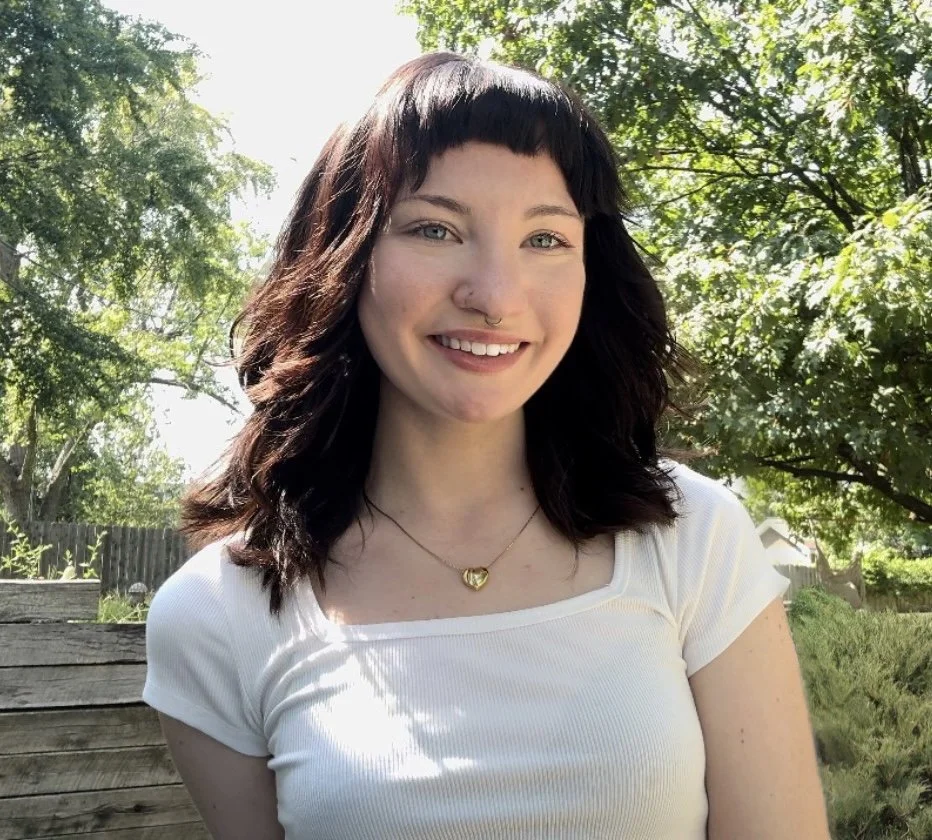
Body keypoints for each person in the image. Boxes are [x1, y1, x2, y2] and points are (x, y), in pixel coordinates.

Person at [142, 52, 831, 840]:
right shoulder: (216, 614)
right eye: (436, 229)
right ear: (344, 256)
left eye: (545, 239)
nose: (495, 296)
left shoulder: (691, 542)